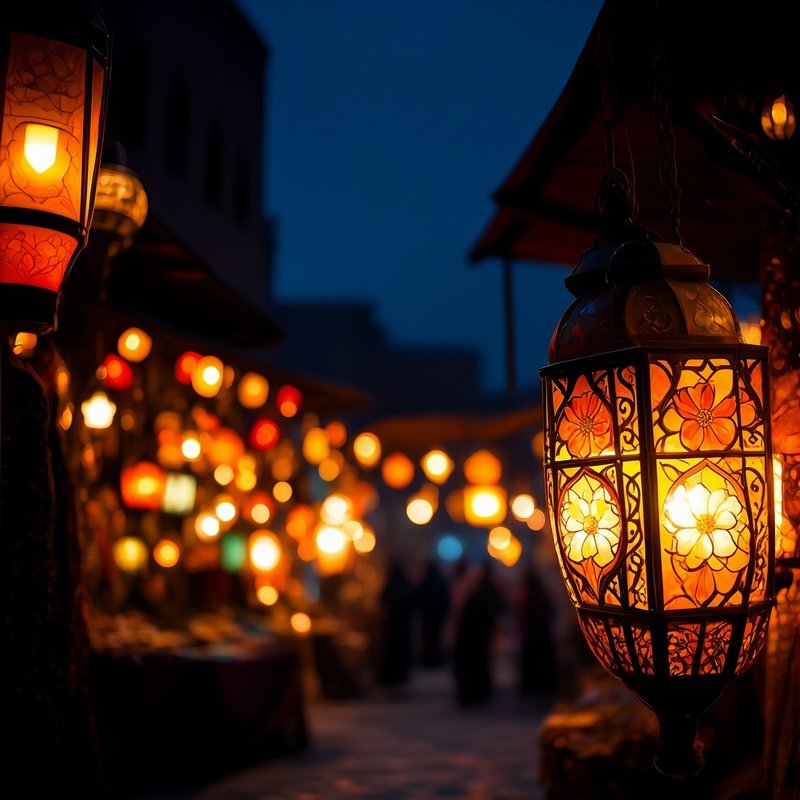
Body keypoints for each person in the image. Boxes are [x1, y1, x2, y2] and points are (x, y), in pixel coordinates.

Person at [453, 561, 506, 705]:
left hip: (474, 641)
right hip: (474, 641)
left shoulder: (476, 599)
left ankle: (475, 693)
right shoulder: (475, 598)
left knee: (474, 668)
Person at [517, 564, 557, 695]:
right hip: (541, 636)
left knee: (535, 663)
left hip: (534, 636)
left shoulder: (532, 596)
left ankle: (536, 688)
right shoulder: (541, 593)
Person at [376, 559, 414, 686]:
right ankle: (400, 675)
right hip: (402, 625)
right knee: (400, 650)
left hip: (393, 625)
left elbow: (382, 601)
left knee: (393, 650)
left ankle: (393, 675)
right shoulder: (405, 584)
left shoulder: (392, 584)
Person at [417, 560, 450, 668]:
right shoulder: (440, 582)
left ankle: (430, 659)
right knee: (436, 639)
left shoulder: (426, 582)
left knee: (429, 639)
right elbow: (445, 599)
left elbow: (420, 598)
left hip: (428, 616)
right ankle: (435, 659)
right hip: (437, 616)